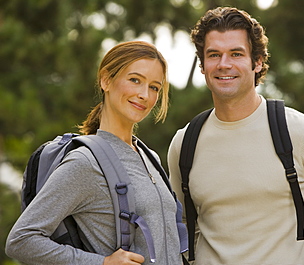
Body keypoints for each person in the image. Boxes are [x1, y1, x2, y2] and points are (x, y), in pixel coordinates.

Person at [167, 6, 304, 265]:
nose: (224, 64)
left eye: (236, 53)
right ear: (202, 65)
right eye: (213, 54)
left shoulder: (302, 133)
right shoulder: (184, 144)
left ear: (257, 62)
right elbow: (183, 225)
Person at [6, 41, 183, 265]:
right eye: (135, 80)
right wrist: (102, 262)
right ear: (106, 80)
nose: (144, 95)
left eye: (154, 87)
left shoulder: (151, 158)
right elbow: (21, 240)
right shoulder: (85, 163)